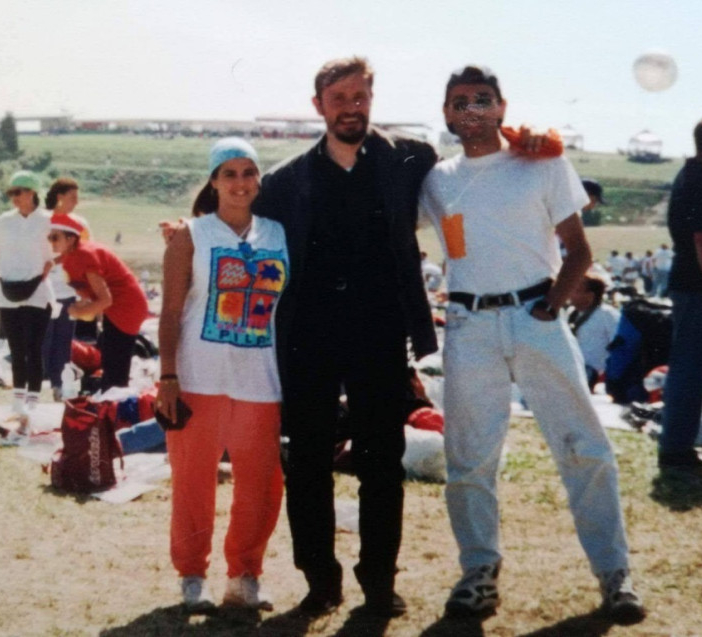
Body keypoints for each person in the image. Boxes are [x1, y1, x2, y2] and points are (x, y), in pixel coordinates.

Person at [419, 65, 645, 624]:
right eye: (459, 102)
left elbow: (579, 250)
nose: (471, 110)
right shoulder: (437, 180)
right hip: (468, 323)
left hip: (534, 316)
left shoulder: (543, 163)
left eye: (483, 99)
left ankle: (614, 573)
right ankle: (478, 573)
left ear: (502, 107)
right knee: (468, 456)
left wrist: (550, 308)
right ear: (446, 113)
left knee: (583, 445)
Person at [255, 57, 438, 617]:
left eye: (360, 96)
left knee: (382, 462)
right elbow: (236, 223)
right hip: (308, 338)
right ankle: (320, 581)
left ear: (372, 99)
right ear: (319, 106)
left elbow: (472, 168)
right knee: (307, 463)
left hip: (380, 333)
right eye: (339, 98)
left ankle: (379, 582)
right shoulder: (285, 181)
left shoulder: (410, 159)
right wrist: (185, 235)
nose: (351, 108)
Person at [158, 138, 288, 611]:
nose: (240, 182)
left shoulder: (278, 233)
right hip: (198, 378)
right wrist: (167, 377)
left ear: (259, 179)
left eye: (248, 172)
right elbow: (171, 312)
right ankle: (193, 576)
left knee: (261, 484)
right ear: (213, 181)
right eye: (229, 173)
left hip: (260, 379)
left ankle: (245, 576)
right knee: (193, 482)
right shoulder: (191, 235)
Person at [657, 117, 702, 476]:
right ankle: (676, 451)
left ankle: (679, 447)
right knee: (690, 368)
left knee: (694, 366)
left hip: (694, 285)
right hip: (698, 288)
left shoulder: (693, 176)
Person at [0, 170, 54, 427]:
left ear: (32, 192)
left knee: (34, 347)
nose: (14, 197)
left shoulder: (47, 220)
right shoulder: (4, 220)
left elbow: (65, 244)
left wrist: (50, 263)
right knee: (16, 348)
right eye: (11, 192)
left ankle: (33, 398)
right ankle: (17, 398)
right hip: (9, 288)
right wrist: (3, 259)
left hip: (37, 288)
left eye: (18, 192)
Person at [48, 209, 147, 392]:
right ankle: (111, 401)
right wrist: (83, 306)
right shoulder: (73, 256)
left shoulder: (85, 256)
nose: (50, 242)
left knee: (115, 367)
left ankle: (115, 403)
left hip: (126, 307)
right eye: (49, 238)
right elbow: (94, 295)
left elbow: (105, 299)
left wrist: (78, 311)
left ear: (70, 239)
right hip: (116, 308)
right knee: (110, 362)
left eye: (55, 238)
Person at [41, 178, 91, 401]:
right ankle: (34, 383)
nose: (76, 202)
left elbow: (87, 254)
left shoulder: (80, 223)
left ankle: (59, 385)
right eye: (72, 197)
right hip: (43, 289)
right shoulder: (41, 221)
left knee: (63, 340)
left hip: (68, 291)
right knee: (44, 339)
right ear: (59, 197)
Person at [568, 273, 621, 391]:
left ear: (590, 296)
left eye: (576, 290)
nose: (570, 293)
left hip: (595, 374)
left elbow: (618, 346)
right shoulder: (572, 313)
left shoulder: (607, 314)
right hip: (574, 369)